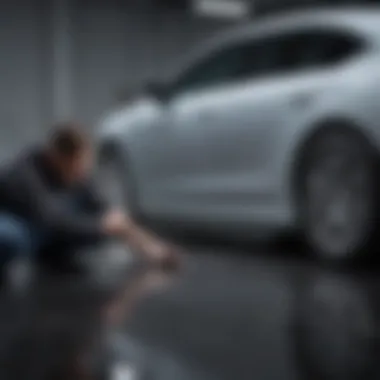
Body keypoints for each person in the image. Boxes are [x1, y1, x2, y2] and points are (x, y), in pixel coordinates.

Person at [0, 121, 181, 278]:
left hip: (45, 228)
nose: (80, 173)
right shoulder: (24, 173)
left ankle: (50, 253)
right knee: (11, 237)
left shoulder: (77, 175)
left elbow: (109, 213)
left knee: (98, 215)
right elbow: (50, 220)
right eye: (75, 167)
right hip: (17, 222)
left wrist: (154, 249)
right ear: (56, 158)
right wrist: (101, 227)